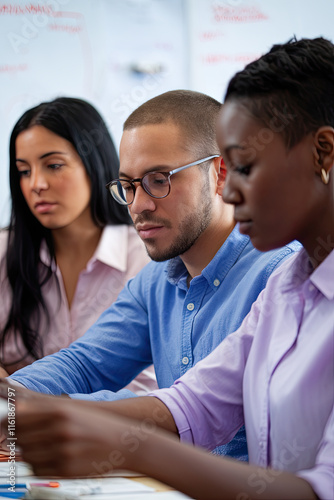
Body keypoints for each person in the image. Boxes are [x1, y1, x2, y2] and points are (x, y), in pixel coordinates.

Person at [10, 36, 333, 500]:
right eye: (128, 186)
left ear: (322, 154)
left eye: (245, 167)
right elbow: (192, 403)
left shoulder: (272, 267)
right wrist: (19, 406)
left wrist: (127, 445)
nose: (232, 191)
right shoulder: (289, 284)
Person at [0, 97, 154, 393]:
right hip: (14, 433)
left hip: (112, 435)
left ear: (93, 164)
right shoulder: (6, 252)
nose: (36, 184)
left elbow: (149, 386)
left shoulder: (145, 258)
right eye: (24, 171)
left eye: (53, 165)